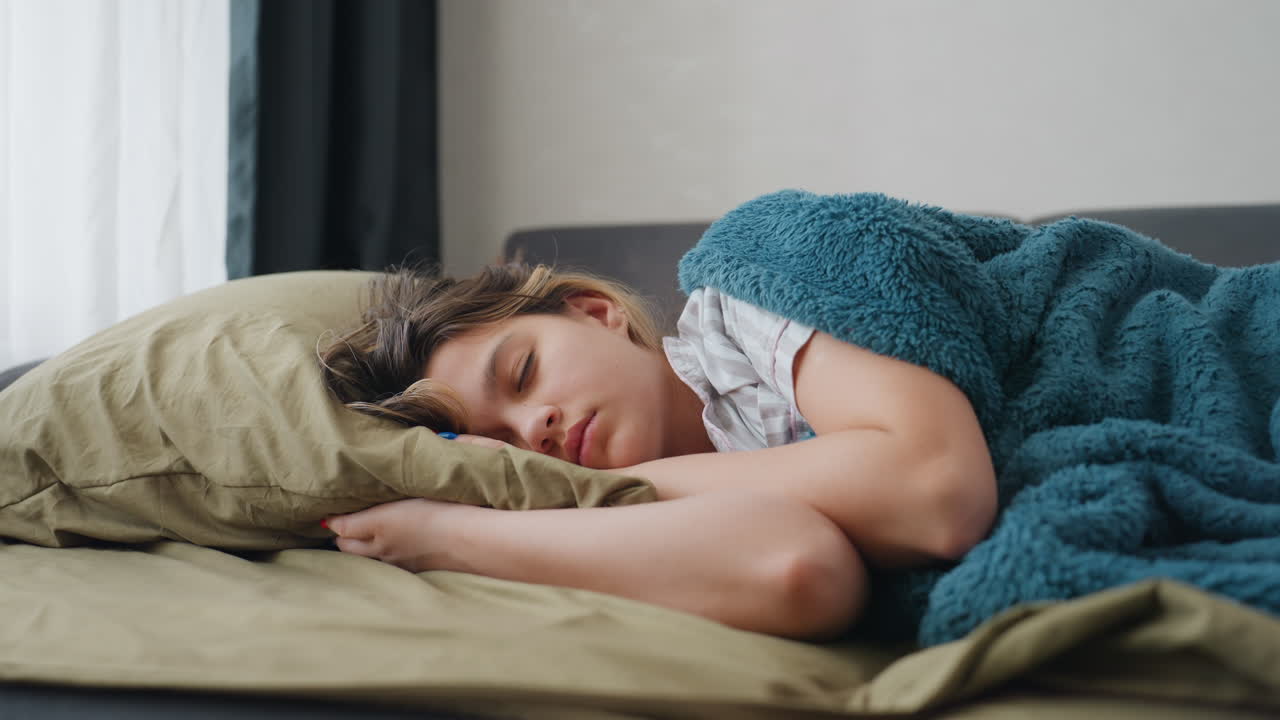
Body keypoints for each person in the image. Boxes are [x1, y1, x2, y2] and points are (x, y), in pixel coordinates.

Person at [317, 263, 998, 639]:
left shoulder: (745, 299)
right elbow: (797, 570)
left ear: (593, 310)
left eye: (523, 373)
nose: (536, 429)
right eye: (500, 446)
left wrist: (465, 532)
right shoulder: (605, 519)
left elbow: (936, 492)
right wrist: (456, 535)